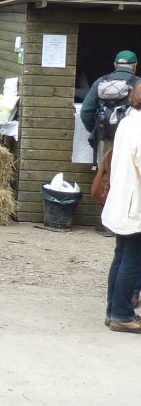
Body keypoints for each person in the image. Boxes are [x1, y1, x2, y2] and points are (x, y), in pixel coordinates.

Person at [101, 82, 141, 333]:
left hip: (121, 198)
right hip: (134, 202)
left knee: (121, 255)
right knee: (133, 260)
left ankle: (112, 310)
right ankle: (123, 314)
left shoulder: (128, 121)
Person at [80, 50, 138, 168]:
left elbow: (86, 112)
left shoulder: (100, 81)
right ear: (135, 66)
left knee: (105, 175)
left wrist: (99, 130)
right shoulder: (139, 83)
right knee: (129, 176)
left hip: (104, 137)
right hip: (132, 139)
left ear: (115, 65)